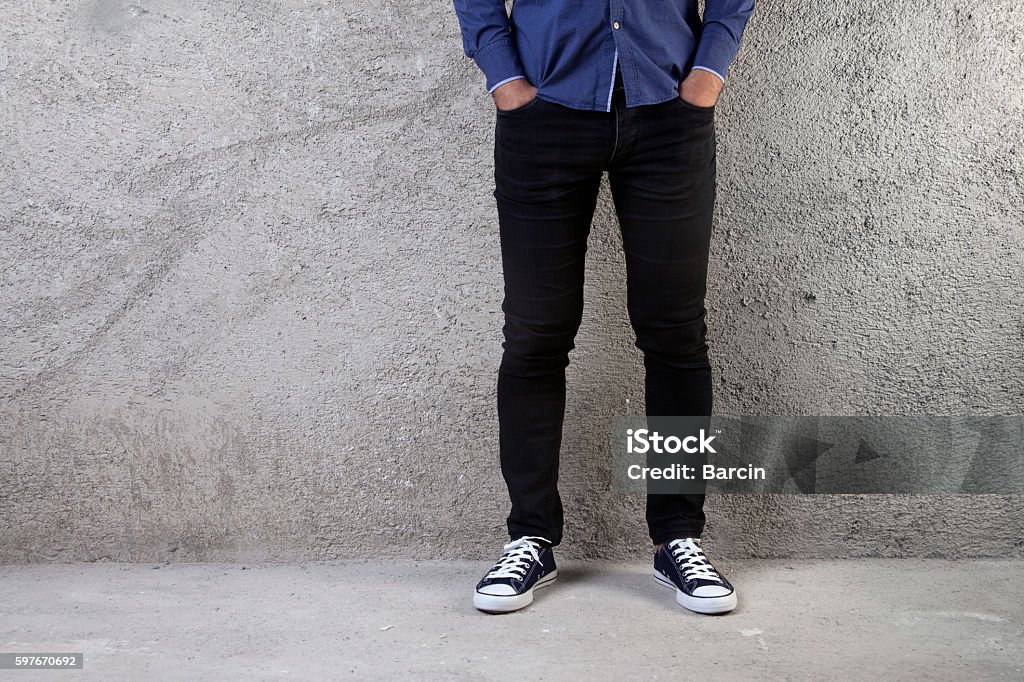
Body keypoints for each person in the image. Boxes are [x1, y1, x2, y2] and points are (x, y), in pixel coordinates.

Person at [452, 0, 755, 615]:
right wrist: (506, 79)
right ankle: (530, 536)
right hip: (545, 119)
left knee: (675, 335)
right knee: (536, 334)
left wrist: (708, 74)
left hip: (670, 115)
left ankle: (678, 537)